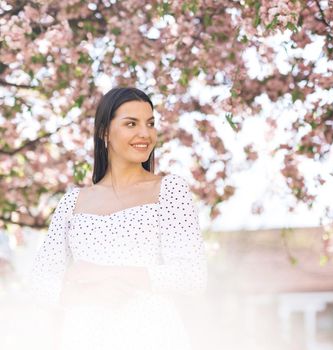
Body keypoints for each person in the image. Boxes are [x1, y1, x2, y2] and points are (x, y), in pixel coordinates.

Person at [28, 87, 207, 350]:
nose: (145, 133)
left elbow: (192, 276)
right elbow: (40, 282)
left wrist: (106, 272)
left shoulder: (169, 191)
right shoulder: (72, 203)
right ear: (104, 133)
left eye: (150, 123)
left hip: (153, 337)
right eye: (131, 124)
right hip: (84, 337)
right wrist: (83, 294)